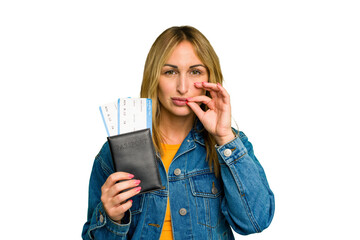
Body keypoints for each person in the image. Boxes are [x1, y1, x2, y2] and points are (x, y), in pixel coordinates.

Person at [82, 26, 275, 240]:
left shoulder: (230, 144)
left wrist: (224, 136)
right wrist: (110, 218)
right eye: (170, 72)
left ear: (210, 79)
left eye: (195, 72)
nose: (182, 87)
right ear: (154, 77)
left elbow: (255, 221)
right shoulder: (115, 152)